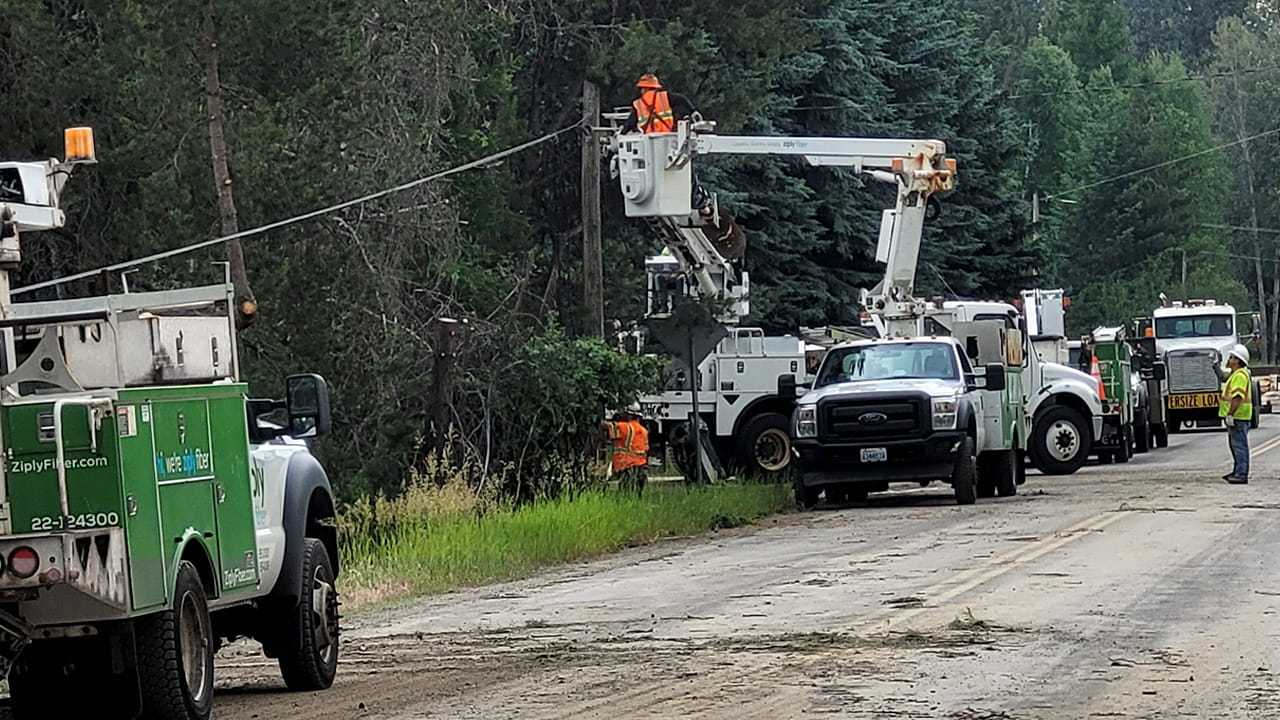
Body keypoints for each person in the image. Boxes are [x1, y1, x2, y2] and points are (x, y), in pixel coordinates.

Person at [621, 73, 713, 218]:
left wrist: (621, 136)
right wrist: (693, 111)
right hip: (669, 143)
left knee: (654, 178)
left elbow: (629, 125)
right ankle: (701, 204)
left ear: (643, 89)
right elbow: (682, 100)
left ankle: (693, 203)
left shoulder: (638, 105)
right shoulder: (665, 98)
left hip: (650, 147)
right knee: (686, 173)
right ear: (655, 88)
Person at [1220, 343, 1253, 484]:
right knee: (1236, 446)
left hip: (1238, 416)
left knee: (1239, 446)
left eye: (1232, 357)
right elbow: (1222, 376)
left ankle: (1241, 474)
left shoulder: (1239, 375)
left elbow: (1237, 397)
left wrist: (1230, 414)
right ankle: (1237, 471)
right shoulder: (1236, 374)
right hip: (1238, 416)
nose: (1230, 359)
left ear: (1238, 360)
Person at [604, 406, 650, 493]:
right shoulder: (644, 431)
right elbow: (646, 449)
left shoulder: (625, 427)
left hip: (627, 465)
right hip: (641, 466)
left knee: (625, 491)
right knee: (637, 492)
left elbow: (606, 425)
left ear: (629, 416)